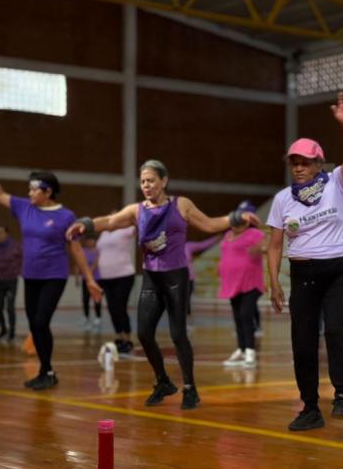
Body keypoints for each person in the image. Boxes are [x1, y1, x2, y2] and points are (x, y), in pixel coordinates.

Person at [67, 159, 260, 410]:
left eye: (151, 180)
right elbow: (110, 221)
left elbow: (210, 224)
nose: (146, 185)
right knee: (144, 334)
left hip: (176, 278)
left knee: (178, 334)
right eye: (143, 181)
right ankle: (163, 382)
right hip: (151, 278)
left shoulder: (181, 205)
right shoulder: (137, 211)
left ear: (164, 181)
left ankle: (190, 388)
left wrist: (236, 217)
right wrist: (87, 224)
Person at [267, 91, 343, 432]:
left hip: (338, 269)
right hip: (302, 275)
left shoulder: (337, 181)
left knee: (335, 328)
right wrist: (274, 281)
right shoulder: (282, 200)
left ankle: (342, 394)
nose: (298, 167)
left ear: (318, 164)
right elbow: (274, 244)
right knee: (303, 340)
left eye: (305, 162)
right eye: (294, 162)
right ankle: (310, 406)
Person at [0, 148, 100, 390]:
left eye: (33, 189)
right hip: (31, 276)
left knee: (40, 321)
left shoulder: (66, 215)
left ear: (47, 191)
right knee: (34, 324)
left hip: (54, 276)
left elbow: (77, 250)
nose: (29, 192)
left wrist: (89, 279)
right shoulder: (23, 207)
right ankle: (45, 370)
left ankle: (47, 370)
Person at [219, 200, 266, 369]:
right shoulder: (228, 235)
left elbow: (266, 247)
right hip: (232, 283)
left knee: (246, 314)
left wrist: (262, 229)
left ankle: (250, 352)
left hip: (250, 282)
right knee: (237, 316)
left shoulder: (255, 234)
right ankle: (241, 349)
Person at [95, 217, 136, 354]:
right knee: (112, 308)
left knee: (120, 306)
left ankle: (128, 339)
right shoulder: (104, 233)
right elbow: (100, 253)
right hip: (106, 276)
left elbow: (139, 228)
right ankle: (118, 337)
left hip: (124, 275)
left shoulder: (126, 230)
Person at [79, 235, 102, 329]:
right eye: (89, 240)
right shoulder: (83, 251)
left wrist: (90, 271)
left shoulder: (98, 251)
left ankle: (98, 317)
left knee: (96, 298)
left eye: (92, 240)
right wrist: (78, 276)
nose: (90, 242)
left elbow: (96, 263)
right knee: (85, 299)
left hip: (96, 279)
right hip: (86, 279)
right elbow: (79, 263)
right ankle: (86, 317)